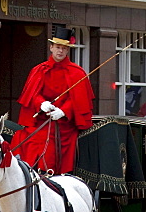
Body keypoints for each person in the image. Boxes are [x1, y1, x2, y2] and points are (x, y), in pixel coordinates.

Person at [11, 26, 94, 173]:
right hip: (40, 120)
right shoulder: (38, 70)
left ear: (68, 50)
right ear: (51, 47)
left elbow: (78, 99)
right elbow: (32, 94)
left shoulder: (77, 72)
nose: (60, 51)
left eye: (64, 48)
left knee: (50, 144)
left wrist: (63, 111)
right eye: (57, 47)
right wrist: (41, 103)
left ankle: (47, 173)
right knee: (22, 137)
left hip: (64, 125)